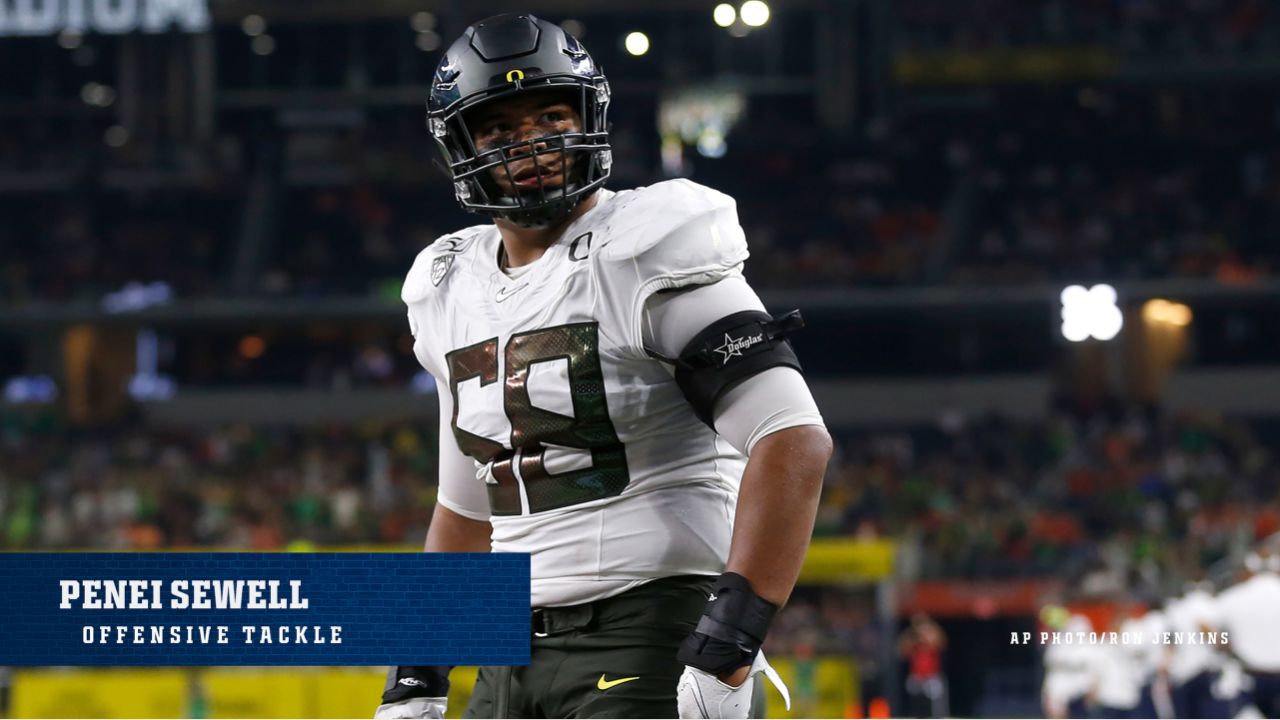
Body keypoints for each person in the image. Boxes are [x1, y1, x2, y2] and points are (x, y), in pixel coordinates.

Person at [374, 13, 831, 720]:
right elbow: (465, 512)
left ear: (589, 117)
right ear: (459, 147)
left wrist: (727, 645)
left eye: (551, 114)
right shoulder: (447, 285)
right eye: (499, 129)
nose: (532, 143)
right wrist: (417, 676)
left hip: (648, 631)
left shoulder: (645, 247)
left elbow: (792, 440)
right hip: (508, 653)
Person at [897, 613, 948, 718]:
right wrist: (913, 638)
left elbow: (940, 644)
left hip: (931, 676)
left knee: (935, 705)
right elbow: (901, 652)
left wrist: (926, 635)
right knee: (916, 703)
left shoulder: (933, 634)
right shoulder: (911, 638)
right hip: (916, 676)